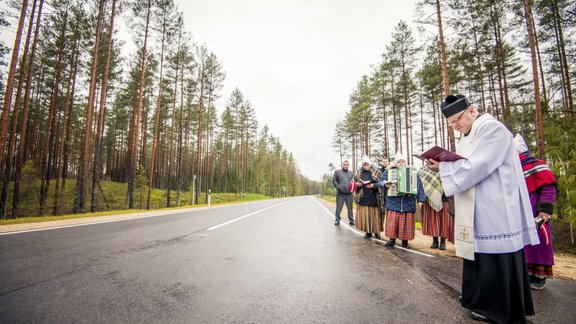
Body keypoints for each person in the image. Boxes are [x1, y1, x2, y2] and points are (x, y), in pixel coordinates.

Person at [427, 95, 539, 323]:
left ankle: (498, 310)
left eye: (456, 120)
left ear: (471, 110)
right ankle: (479, 300)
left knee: (494, 258)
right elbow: (466, 164)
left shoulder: (492, 129)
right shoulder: (469, 135)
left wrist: (444, 166)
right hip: (478, 205)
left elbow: (477, 165)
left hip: (496, 206)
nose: (455, 126)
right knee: (478, 254)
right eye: (451, 124)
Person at [514, 133, 557, 290]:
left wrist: (544, 211)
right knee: (523, 244)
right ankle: (525, 273)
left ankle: (539, 276)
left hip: (536, 212)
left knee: (538, 244)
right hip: (519, 212)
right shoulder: (512, 168)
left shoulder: (537, 165)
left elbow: (549, 187)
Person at [377, 152, 425, 248]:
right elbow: (380, 182)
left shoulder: (412, 172)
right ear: (395, 163)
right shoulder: (390, 172)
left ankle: (405, 241)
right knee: (393, 223)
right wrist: (385, 184)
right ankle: (392, 240)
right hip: (393, 202)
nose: (401, 164)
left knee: (406, 223)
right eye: (399, 162)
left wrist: (420, 199)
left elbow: (419, 187)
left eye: (403, 162)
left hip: (408, 202)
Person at [418, 164, 451, 250]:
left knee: (443, 221)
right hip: (429, 199)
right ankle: (435, 240)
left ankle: (443, 241)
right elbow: (420, 184)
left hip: (444, 198)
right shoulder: (423, 170)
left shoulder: (444, 168)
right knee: (433, 221)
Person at [353, 156, 383, 239]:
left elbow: (382, 184)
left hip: (374, 197)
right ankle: (368, 232)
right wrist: (358, 185)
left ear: (370, 164)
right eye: (364, 165)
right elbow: (354, 184)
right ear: (362, 165)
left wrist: (373, 186)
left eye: (368, 165)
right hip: (363, 198)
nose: (366, 166)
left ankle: (377, 232)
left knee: (375, 216)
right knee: (366, 216)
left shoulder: (377, 172)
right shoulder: (359, 173)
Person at [332, 160, 355, 226]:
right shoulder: (337, 172)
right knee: (338, 208)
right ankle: (337, 220)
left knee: (350, 208)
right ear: (342, 165)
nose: (345, 166)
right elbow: (334, 180)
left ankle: (351, 220)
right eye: (344, 164)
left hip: (349, 194)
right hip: (340, 194)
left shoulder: (352, 173)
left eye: (347, 165)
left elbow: (354, 182)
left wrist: (353, 190)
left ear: (348, 165)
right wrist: (338, 187)